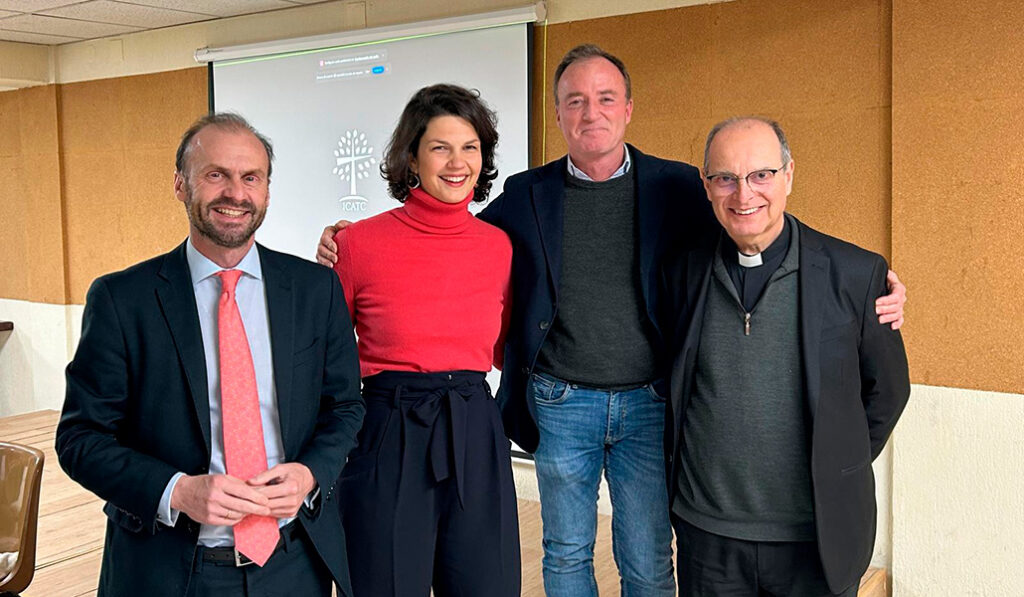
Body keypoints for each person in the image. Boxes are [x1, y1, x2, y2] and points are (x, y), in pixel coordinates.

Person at [317, 45, 907, 596]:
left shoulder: (679, 186)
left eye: (605, 99)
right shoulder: (524, 197)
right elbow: (448, 232)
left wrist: (865, 288)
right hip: (560, 400)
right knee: (566, 552)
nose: (591, 113)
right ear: (558, 114)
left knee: (648, 557)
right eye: (575, 101)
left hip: (648, 403)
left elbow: (751, 223)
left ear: (627, 109)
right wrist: (344, 241)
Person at [55, 113, 365, 597]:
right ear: (181, 184)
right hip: (171, 570)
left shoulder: (314, 289)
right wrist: (177, 490)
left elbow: (345, 407)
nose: (235, 194)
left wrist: (309, 474)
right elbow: (80, 438)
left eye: (250, 178)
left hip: (293, 563)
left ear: (266, 190)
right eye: (215, 174)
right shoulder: (123, 300)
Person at [660, 116, 911, 597]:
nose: (744, 194)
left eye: (761, 175)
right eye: (725, 178)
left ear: (789, 175)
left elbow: (888, 391)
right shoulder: (681, 272)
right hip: (708, 537)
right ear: (706, 187)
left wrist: (836, 460)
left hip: (815, 539)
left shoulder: (857, 274)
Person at [331, 84, 519, 596]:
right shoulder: (356, 244)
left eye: (470, 147)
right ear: (411, 157)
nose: (457, 162)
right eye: (440, 147)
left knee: (490, 585)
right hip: (388, 432)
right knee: (385, 585)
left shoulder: (499, 247)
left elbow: (505, 348)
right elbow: (322, 354)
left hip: (475, 428)